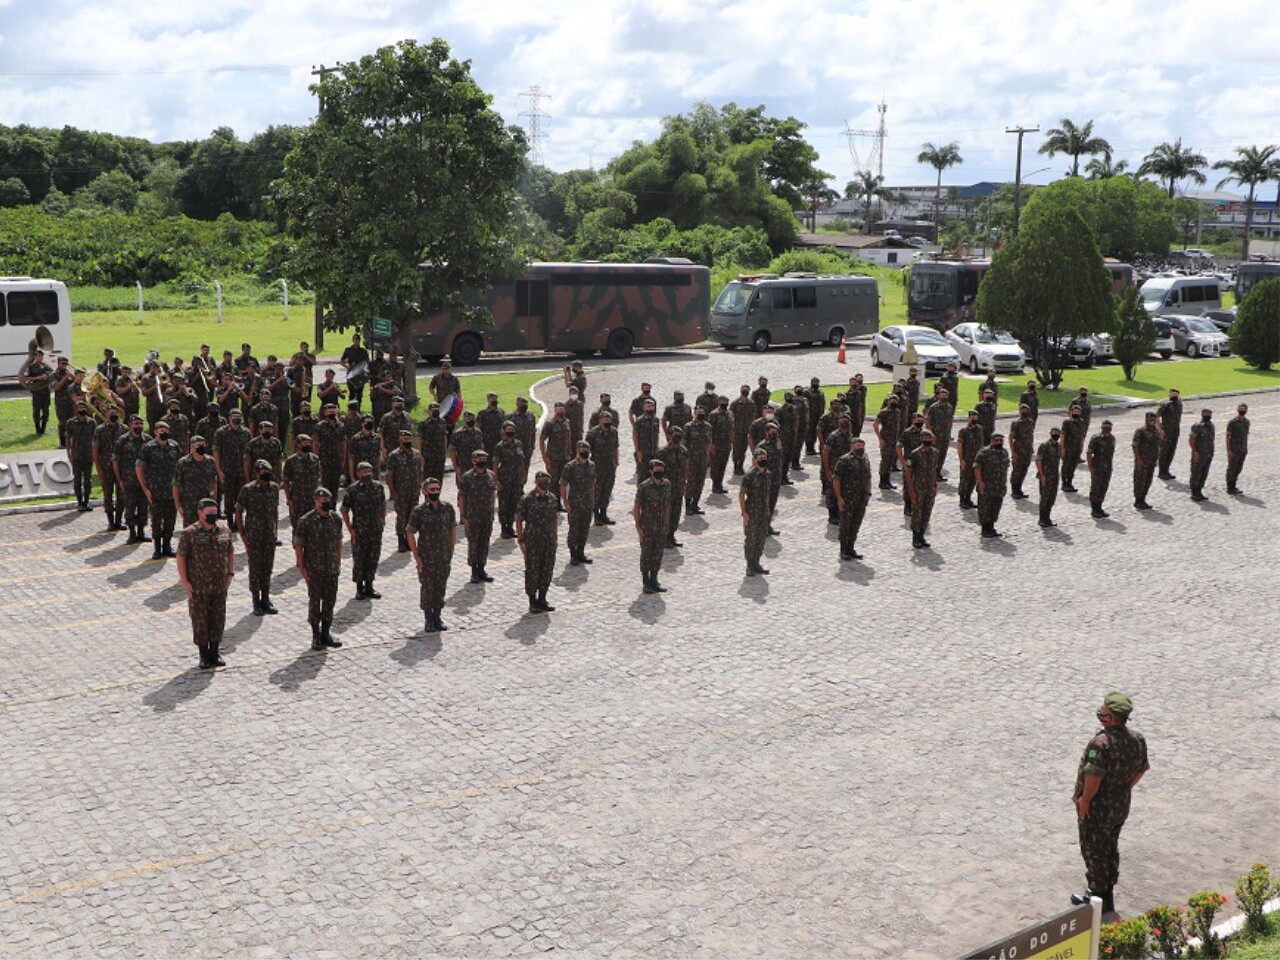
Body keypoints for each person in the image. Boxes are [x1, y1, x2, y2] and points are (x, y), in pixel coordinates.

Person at [1070, 692, 1149, 917]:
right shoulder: (1137, 739)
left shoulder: (1101, 744)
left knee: (1094, 851)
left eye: (1104, 711)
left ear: (1112, 717)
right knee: (1110, 847)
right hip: (1120, 805)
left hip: (1098, 808)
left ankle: (1097, 899)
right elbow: (1141, 769)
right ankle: (1107, 894)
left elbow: (1093, 777)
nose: (1100, 712)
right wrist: (1122, 788)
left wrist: (1085, 801)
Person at [176, 498, 235, 670]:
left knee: (218, 619)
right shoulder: (189, 533)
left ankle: (215, 652)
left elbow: (230, 552)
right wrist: (185, 582)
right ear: (200, 513)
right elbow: (181, 558)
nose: (212, 516)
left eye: (214, 513)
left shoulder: (224, 530)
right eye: (209, 513)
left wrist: (230, 574)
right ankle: (203, 655)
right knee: (200, 621)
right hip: (198, 586)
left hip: (219, 585)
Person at [293, 488, 344, 650]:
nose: (326, 503)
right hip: (314, 569)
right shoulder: (306, 521)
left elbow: (338, 542)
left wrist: (338, 561)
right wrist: (302, 567)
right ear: (316, 501)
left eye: (328, 500)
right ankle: (316, 635)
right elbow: (299, 545)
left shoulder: (335, 519)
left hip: (331, 568)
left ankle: (326, 633)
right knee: (315, 602)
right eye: (323, 500)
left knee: (330, 601)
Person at [406, 477, 457, 633]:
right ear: (424, 492)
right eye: (432, 489)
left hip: (443, 555)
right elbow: (410, 532)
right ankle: (428, 618)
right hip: (427, 557)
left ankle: (438, 616)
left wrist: (451, 549)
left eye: (437, 489)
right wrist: (417, 556)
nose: (435, 492)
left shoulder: (447, 508)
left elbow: (452, 528)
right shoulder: (419, 511)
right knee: (428, 588)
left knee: (441, 586)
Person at [235, 459, 280, 615]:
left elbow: (275, 510)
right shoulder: (247, 490)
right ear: (256, 473)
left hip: (269, 534)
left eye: (268, 473)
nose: (266, 475)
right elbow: (239, 511)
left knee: (267, 568)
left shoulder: (274, 488)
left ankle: (266, 599)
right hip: (254, 535)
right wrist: (242, 533)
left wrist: (276, 530)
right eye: (262, 473)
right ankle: (256, 601)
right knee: (255, 569)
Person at [341, 461, 387, 600]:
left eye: (369, 471)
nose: (367, 474)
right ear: (358, 473)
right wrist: (350, 529)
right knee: (360, 558)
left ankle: (370, 586)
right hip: (360, 530)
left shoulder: (378, 487)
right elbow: (344, 510)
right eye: (364, 472)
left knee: (373, 557)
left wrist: (382, 521)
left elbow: (383, 505)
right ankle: (359, 588)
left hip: (375, 529)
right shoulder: (352, 489)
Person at [517, 471, 561, 612]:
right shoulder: (527, 499)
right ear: (536, 482)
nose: (544, 483)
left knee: (547, 569)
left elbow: (554, 519)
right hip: (533, 540)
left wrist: (555, 537)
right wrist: (520, 540)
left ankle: (543, 598)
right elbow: (519, 520)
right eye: (542, 480)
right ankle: (532, 600)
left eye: (546, 480)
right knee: (533, 570)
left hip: (549, 540)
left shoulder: (553, 498)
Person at [137, 420, 182, 558]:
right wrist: (145, 489)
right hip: (155, 491)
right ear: (155, 432)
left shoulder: (174, 446)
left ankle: (167, 547)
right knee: (156, 522)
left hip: (171, 491)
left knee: (170, 521)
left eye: (166, 430)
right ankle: (157, 549)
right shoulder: (148, 448)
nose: (164, 432)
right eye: (161, 430)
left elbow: (180, 466)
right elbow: (139, 468)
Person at [458, 449, 497, 583]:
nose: (482, 462)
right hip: (473, 516)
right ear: (473, 460)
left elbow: (493, 494)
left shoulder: (491, 475)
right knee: (473, 544)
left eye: (484, 459)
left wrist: (492, 512)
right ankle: (474, 571)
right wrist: (463, 515)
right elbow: (462, 497)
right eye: (479, 460)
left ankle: (482, 568)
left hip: (487, 515)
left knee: (484, 542)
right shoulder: (467, 477)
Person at [634, 459, 671, 594]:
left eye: (661, 469)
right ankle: (646, 581)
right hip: (648, 527)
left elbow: (668, 505)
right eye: (656, 469)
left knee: (658, 555)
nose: (659, 471)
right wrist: (639, 528)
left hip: (661, 527)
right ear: (650, 471)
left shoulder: (667, 485)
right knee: (646, 555)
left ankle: (654, 580)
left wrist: (667, 524)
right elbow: (637, 507)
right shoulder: (644, 487)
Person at [832, 437, 872, 560]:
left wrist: (868, 492)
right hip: (848, 498)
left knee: (856, 523)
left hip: (861, 498)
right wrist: (839, 498)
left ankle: (851, 547)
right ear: (852, 446)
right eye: (857, 445)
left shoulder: (865, 459)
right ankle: (844, 549)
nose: (860, 447)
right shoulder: (844, 460)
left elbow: (868, 477)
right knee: (845, 524)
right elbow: (836, 479)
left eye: (861, 445)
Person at [114, 415, 151, 543]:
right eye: (136, 424)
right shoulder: (122, 440)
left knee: (143, 507)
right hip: (129, 480)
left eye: (141, 424)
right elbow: (116, 461)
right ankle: (132, 533)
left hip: (144, 481)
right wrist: (119, 479)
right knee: (129, 507)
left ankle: (141, 532)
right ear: (130, 425)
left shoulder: (148, 440)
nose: (139, 426)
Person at [559, 441, 597, 565]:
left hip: (588, 503)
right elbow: (563, 485)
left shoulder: (592, 465)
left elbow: (593, 483)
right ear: (577, 450)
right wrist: (565, 502)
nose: (585, 452)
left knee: (585, 529)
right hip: (575, 504)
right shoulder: (570, 467)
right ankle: (573, 554)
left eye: (587, 449)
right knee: (574, 530)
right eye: (582, 449)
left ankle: (581, 552)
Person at [385, 429, 422, 552]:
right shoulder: (394, 455)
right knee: (401, 517)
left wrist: (420, 486)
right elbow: (389, 476)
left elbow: (419, 471)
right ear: (400, 440)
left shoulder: (416, 454)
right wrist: (393, 492)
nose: (407, 441)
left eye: (409, 439)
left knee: (412, 516)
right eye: (405, 439)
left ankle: (409, 540)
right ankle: (401, 540)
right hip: (401, 492)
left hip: (414, 491)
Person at [739, 448, 773, 576]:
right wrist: (744, 512)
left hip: (763, 513)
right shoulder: (749, 476)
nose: (763, 459)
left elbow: (767, 494)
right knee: (751, 539)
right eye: (760, 458)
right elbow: (741, 494)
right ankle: (749, 565)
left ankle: (756, 563)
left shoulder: (768, 475)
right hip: (752, 512)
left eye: (764, 457)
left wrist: (768, 510)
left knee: (761, 538)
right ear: (755, 460)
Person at [173, 435, 219, 528]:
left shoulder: (210, 461)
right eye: (198, 445)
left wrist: (214, 500)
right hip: (189, 503)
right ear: (192, 448)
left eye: (203, 444)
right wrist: (178, 505)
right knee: (190, 529)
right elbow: (176, 485)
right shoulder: (183, 462)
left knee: (208, 528)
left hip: (206, 501)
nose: (201, 447)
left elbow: (214, 482)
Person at [904, 430, 940, 549]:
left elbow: (934, 470)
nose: (927, 440)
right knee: (917, 513)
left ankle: (922, 535)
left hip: (930, 488)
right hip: (918, 488)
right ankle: (915, 537)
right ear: (921, 439)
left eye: (929, 438)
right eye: (925, 438)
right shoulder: (915, 454)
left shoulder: (935, 453)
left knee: (927, 511)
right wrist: (911, 490)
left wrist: (935, 486)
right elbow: (908, 473)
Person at [492, 420, 528, 539]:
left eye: (512, 430)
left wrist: (523, 474)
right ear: (504, 431)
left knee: (514, 503)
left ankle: (510, 526)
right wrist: (496, 480)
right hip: (504, 479)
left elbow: (522, 460)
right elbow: (495, 464)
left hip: (516, 478)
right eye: (508, 430)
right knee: (504, 504)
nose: (510, 432)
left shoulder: (518, 444)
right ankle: (504, 528)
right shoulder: (499, 446)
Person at [94, 405, 126, 531]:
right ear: (106, 415)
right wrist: (98, 469)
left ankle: (119, 520)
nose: (113, 414)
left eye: (115, 412)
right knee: (107, 494)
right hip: (106, 467)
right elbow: (95, 451)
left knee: (121, 495)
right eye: (110, 412)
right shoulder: (100, 430)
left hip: (121, 468)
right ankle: (110, 521)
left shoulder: (124, 429)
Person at [585, 412, 620, 525]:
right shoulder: (592, 434)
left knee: (607, 490)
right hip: (597, 467)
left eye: (609, 419)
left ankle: (603, 513)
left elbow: (615, 448)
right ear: (600, 420)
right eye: (605, 419)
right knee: (597, 491)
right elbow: (586, 451)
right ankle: (596, 516)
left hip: (610, 466)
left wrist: (616, 461)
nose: (607, 421)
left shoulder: (614, 432)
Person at [973, 433, 1010, 539]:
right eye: (997, 440)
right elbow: (977, 468)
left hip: (999, 485)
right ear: (992, 441)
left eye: (1001, 440)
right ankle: (985, 529)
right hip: (987, 486)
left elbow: (1005, 469)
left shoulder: (1004, 453)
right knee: (985, 508)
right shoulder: (984, 452)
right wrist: (980, 482)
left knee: (995, 507)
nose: (999, 442)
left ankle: (991, 527)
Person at [281, 435, 322, 528]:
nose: (307, 445)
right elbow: (286, 481)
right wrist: (288, 498)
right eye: (305, 443)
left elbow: (318, 477)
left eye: (309, 442)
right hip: (297, 499)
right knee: (297, 527)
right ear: (299, 444)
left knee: (312, 527)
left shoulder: (315, 459)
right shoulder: (291, 461)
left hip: (312, 499)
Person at [822, 414, 855, 525]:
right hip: (834, 467)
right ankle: (832, 515)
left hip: (846, 469)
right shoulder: (833, 436)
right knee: (832, 492)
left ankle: (841, 513)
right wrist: (827, 470)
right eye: (842, 420)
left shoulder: (850, 435)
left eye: (847, 420)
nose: (845, 422)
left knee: (844, 490)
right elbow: (826, 453)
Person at [65, 401, 97, 512]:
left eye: (84, 407)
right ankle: (79, 502)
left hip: (88, 454)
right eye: (80, 407)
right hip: (77, 454)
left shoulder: (92, 422)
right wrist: (68, 453)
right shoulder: (71, 423)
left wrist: (94, 453)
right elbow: (68, 438)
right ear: (76, 409)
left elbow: (95, 438)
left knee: (88, 480)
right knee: (77, 479)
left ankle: (86, 501)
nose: (82, 409)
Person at [684, 406, 713, 514]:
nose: (701, 414)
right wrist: (685, 460)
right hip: (691, 459)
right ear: (694, 413)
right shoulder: (688, 427)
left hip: (703, 459)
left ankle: (695, 504)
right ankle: (687, 506)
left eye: (702, 412)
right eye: (698, 412)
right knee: (691, 483)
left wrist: (708, 457)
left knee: (700, 482)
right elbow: (684, 444)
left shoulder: (708, 426)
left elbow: (709, 441)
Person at [539, 402, 574, 490]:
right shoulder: (550, 424)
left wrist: (570, 452)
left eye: (562, 409)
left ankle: (560, 502)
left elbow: (569, 437)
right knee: (553, 482)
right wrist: (545, 457)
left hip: (565, 457)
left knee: (563, 481)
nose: (561, 411)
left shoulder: (567, 422)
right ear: (555, 410)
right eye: (559, 410)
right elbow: (542, 439)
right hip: (553, 458)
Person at [897, 413, 926, 517]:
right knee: (908, 484)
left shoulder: (925, 433)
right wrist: (902, 461)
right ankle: (908, 506)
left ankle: (917, 505)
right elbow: (899, 447)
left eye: (921, 420)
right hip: (909, 463)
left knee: (920, 485)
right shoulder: (907, 433)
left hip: (922, 464)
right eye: (918, 420)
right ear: (913, 420)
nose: (920, 422)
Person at [1086, 420, 1117, 518]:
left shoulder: (1112, 438)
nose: (1107, 428)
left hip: (1107, 467)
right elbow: (1089, 453)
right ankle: (1094, 509)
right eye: (1105, 426)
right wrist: (1091, 468)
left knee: (1103, 487)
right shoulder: (1096, 439)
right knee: (1095, 488)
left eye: (1109, 426)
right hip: (1097, 467)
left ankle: (1099, 507)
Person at [1132, 412, 1162, 510]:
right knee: (1140, 480)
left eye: (1154, 418)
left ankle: (1143, 499)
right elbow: (1135, 446)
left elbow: (1158, 444)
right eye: (1150, 418)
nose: (1152, 420)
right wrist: (1138, 459)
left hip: (1152, 460)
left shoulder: (1156, 430)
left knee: (1148, 480)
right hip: (1143, 459)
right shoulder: (1141, 431)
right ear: (1146, 419)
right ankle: (1138, 500)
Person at [20, 348, 53, 436]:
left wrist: (46, 375)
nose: (40, 357)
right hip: (37, 392)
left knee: (46, 411)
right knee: (36, 411)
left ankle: (43, 429)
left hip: (46, 391)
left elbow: (52, 373)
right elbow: (25, 378)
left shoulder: (45, 365)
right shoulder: (31, 367)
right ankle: (38, 429)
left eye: (41, 356)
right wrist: (38, 378)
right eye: (38, 356)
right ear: (34, 357)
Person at [315, 403, 347, 495]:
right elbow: (316, 444)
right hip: (324, 460)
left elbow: (343, 443)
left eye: (334, 411)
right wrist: (317, 460)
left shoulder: (341, 426)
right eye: (330, 412)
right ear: (325, 413)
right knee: (325, 486)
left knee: (335, 486)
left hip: (337, 460)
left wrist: (343, 459)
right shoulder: (320, 426)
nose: (332, 413)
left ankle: (333, 506)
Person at [955, 409, 983, 508]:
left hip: (977, 460)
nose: (974, 418)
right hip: (967, 460)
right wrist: (961, 460)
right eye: (972, 417)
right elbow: (959, 445)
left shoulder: (980, 429)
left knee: (973, 480)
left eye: (976, 417)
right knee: (965, 480)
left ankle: (968, 498)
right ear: (968, 418)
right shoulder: (963, 431)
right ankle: (962, 499)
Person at [924, 389, 954, 481]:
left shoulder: (949, 407)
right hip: (935, 435)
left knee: (942, 455)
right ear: (938, 396)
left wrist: (949, 433)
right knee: (934, 456)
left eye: (945, 395)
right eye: (942, 395)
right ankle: (931, 474)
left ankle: (938, 474)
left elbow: (950, 421)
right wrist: (930, 434)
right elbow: (927, 420)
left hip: (945, 435)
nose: (943, 397)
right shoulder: (933, 407)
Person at [873, 394, 902, 490]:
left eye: (895, 400)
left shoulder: (897, 412)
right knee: (885, 460)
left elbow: (897, 425)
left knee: (891, 460)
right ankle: (882, 481)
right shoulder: (884, 412)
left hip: (894, 439)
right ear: (888, 401)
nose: (893, 402)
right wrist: (880, 438)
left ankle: (887, 481)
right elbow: (875, 424)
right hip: (886, 439)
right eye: (891, 400)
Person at [1036, 427, 1063, 527]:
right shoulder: (1044, 445)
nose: (1056, 434)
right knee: (1045, 497)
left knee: (1052, 497)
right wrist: (1041, 475)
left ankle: (1047, 517)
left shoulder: (1059, 446)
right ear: (1050, 433)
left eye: (1058, 433)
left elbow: (1061, 457)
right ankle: (1042, 518)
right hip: (1046, 475)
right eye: (1054, 432)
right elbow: (1038, 460)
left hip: (1055, 475)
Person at [1187, 408, 1215, 501]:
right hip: (1199, 453)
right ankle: (1194, 492)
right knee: (1196, 472)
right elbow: (1192, 439)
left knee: (1204, 472)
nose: (1207, 415)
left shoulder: (1211, 426)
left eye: (1209, 414)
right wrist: (1195, 451)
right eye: (1206, 413)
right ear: (1202, 414)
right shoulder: (1197, 426)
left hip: (1208, 453)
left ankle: (1199, 491)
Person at [450, 411, 484, 487]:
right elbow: (452, 451)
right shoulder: (458, 433)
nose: (470, 420)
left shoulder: (478, 432)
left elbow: (481, 449)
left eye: (472, 418)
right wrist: (456, 468)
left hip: (476, 466)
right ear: (464, 420)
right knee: (463, 490)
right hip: (463, 467)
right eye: (468, 418)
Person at [1009, 403, 1035, 499]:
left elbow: (1031, 435)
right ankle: (1014, 490)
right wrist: (1013, 452)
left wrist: (1032, 447)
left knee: (1024, 470)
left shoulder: (1030, 422)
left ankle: (1019, 489)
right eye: (1022, 410)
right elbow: (1011, 438)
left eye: (1026, 410)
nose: (1024, 412)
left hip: (1027, 451)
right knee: (1016, 471)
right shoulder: (1016, 423)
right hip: (1019, 450)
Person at [707, 396, 733, 495]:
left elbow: (731, 428)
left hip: (726, 444)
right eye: (722, 401)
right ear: (718, 402)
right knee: (715, 466)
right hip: (716, 444)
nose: (724, 403)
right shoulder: (713, 414)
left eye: (726, 401)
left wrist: (731, 441)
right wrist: (711, 444)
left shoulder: (730, 414)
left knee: (723, 465)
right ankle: (715, 485)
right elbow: (709, 430)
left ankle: (720, 484)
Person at [1156, 388, 1182, 479]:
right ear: (1169, 395)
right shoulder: (1165, 404)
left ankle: (1166, 470)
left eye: (1176, 394)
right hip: (1166, 431)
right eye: (1173, 394)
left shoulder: (1179, 403)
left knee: (1171, 451)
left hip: (1175, 431)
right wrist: (1160, 429)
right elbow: (1157, 417)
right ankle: (1161, 472)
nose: (1174, 396)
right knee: (1164, 452)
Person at [632, 398, 661, 479]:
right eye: (648, 406)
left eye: (652, 406)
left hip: (654, 452)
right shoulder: (639, 420)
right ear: (644, 408)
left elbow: (657, 435)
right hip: (643, 452)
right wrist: (638, 451)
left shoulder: (656, 420)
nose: (650, 408)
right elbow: (635, 436)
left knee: (653, 476)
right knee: (642, 476)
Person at [729, 385, 755, 474]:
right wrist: (732, 430)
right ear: (740, 391)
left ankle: (741, 465)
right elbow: (730, 417)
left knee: (743, 449)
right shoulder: (735, 403)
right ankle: (736, 466)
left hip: (746, 430)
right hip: (737, 430)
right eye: (744, 390)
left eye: (747, 390)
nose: (745, 392)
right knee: (736, 449)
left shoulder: (751, 403)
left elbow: (753, 417)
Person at [1060, 404, 1087, 493]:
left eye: (1078, 412)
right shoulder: (1067, 422)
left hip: (1077, 449)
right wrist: (1062, 448)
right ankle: (1064, 483)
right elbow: (1063, 435)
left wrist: (1082, 446)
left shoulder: (1082, 422)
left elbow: (1082, 435)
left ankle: (1070, 482)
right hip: (1068, 448)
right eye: (1075, 411)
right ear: (1071, 412)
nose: (1076, 413)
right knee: (1066, 466)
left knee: (1073, 466)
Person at [378, 395, 413, 461]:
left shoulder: (407, 416)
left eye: (401, 403)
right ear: (392, 404)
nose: (399, 405)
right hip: (391, 448)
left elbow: (410, 431)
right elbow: (381, 433)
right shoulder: (386, 417)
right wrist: (382, 447)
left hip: (405, 448)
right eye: (397, 403)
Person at [340, 333, 370, 408]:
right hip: (351, 373)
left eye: (358, 340)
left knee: (359, 393)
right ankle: (351, 409)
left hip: (360, 375)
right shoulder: (348, 350)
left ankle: (358, 409)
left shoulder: (363, 351)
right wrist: (347, 366)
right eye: (355, 340)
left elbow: (367, 362)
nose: (356, 341)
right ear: (353, 340)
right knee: (352, 393)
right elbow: (342, 361)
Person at [1225, 403, 1250, 494]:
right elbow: (1228, 437)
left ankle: (1234, 485)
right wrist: (1229, 450)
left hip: (1242, 449)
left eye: (1244, 409)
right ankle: (1230, 486)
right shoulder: (1232, 422)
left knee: (1239, 468)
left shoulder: (1247, 422)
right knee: (1232, 468)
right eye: (1240, 408)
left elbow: (1245, 436)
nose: (1242, 410)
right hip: (1234, 449)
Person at [348, 416, 382, 480]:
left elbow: (378, 456)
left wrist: (378, 474)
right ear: (362, 423)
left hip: (372, 473)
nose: (369, 424)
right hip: (360, 473)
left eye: (371, 422)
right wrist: (352, 477)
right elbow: (351, 458)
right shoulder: (355, 439)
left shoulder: (377, 438)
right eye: (367, 422)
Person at [510, 397, 537, 468]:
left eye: (525, 403)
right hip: (514, 448)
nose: (524, 405)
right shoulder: (511, 417)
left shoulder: (531, 416)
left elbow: (533, 431)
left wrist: (532, 445)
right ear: (517, 404)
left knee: (525, 468)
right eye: (522, 403)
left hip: (527, 448)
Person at [804, 377, 826, 454]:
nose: (815, 384)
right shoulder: (807, 392)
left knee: (816, 432)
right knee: (809, 432)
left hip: (819, 415)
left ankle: (813, 447)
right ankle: (809, 448)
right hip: (810, 415)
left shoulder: (821, 392)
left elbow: (823, 403)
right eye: (814, 382)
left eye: (816, 382)